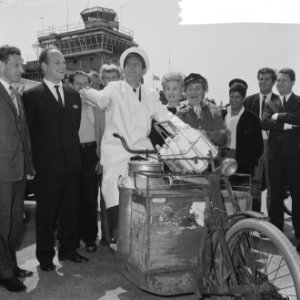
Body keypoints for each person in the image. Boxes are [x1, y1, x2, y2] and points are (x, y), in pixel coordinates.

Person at [80, 47, 184, 241]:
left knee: (157, 188)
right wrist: (88, 92)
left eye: (136, 65)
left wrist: (186, 132)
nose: (131, 68)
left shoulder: (150, 94)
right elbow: (102, 100)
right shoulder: (113, 88)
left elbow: (165, 117)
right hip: (118, 152)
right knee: (115, 187)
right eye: (128, 64)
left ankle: (155, 233)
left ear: (144, 70)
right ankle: (120, 233)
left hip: (145, 152)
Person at [22, 46, 88, 272]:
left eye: (63, 62)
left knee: (71, 211)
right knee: (46, 215)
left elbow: (74, 127)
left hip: (72, 164)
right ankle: (45, 257)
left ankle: (69, 251)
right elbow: (29, 133)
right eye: (57, 62)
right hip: (47, 167)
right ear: (44, 67)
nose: (62, 66)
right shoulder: (31, 96)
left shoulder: (73, 94)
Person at [0, 45, 34, 292]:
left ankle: (10, 265)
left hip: (18, 169)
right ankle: (4, 273)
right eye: (16, 65)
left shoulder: (15, 94)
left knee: (14, 224)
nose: (21, 69)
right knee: (2, 225)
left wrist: (29, 165)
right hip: (1, 171)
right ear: (1, 66)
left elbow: (24, 135)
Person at [261, 68, 300, 250]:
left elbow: (298, 118)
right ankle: (277, 235)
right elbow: (264, 122)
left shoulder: (298, 101)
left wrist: (279, 117)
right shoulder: (271, 101)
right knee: (275, 196)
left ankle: (298, 236)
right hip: (274, 157)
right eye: (278, 81)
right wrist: (286, 126)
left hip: (295, 157)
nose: (279, 84)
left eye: (284, 81)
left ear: (293, 82)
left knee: (298, 196)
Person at [69, 70, 100, 253]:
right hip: (73, 153)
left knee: (90, 198)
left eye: (85, 83)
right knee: (72, 199)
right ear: (71, 85)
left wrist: (101, 157)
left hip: (91, 153)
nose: (82, 87)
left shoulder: (97, 104)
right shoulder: (65, 105)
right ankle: (72, 238)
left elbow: (104, 132)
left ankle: (89, 239)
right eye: (78, 83)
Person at [244, 68, 278, 213]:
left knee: (273, 186)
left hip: (274, 147)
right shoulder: (248, 101)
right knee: (254, 186)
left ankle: (273, 224)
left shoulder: (280, 101)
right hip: (255, 148)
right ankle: (254, 221)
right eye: (261, 79)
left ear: (273, 82)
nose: (263, 82)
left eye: (267, 79)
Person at [223, 83, 263, 205]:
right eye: (232, 96)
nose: (234, 100)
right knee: (224, 197)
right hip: (224, 160)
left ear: (243, 99)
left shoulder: (252, 118)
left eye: (237, 97)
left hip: (243, 164)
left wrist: (248, 162)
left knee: (242, 198)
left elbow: (258, 146)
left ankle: (244, 223)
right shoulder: (222, 114)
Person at [98, 64, 121, 246]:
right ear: (101, 80)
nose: (110, 81)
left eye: (114, 78)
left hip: (121, 156)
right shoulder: (99, 100)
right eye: (106, 78)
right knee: (105, 197)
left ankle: (118, 234)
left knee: (119, 197)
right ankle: (107, 236)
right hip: (102, 156)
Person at [177, 73, 227, 147]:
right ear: (185, 92)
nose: (194, 92)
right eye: (190, 89)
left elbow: (222, 140)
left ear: (204, 91)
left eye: (197, 88)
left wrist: (207, 135)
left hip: (208, 156)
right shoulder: (180, 114)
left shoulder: (214, 111)